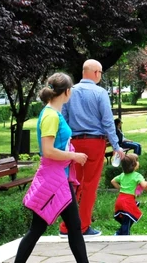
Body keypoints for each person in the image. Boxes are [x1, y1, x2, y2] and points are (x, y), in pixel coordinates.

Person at [15, 73, 89, 263]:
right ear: (67, 91)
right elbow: (48, 151)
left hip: (58, 179)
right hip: (53, 180)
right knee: (40, 229)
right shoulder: (50, 116)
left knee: (73, 226)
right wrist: (74, 156)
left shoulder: (52, 113)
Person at [59, 59, 123, 237]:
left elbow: (63, 118)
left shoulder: (70, 92)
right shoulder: (100, 92)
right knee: (89, 185)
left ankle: (66, 226)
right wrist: (116, 145)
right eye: (101, 73)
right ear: (96, 73)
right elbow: (108, 122)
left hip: (75, 143)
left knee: (73, 184)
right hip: (95, 143)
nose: (100, 76)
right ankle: (83, 226)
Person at [111, 154, 147, 235]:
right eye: (137, 161)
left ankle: (119, 233)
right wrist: (146, 184)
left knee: (129, 219)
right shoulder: (137, 176)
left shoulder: (122, 175)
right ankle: (124, 237)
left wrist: (120, 188)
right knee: (127, 221)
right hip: (128, 202)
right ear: (134, 165)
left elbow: (113, 181)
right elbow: (144, 185)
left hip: (120, 200)